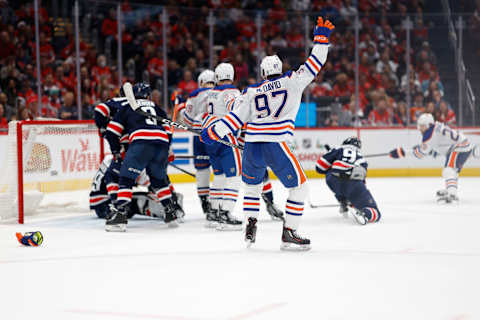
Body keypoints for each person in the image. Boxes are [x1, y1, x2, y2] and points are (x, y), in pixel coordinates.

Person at [201, 16, 335, 250]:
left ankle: (250, 226)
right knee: (300, 188)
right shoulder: (292, 81)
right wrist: (321, 40)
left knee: (252, 188)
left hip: (252, 145)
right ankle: (290, 233)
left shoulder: (252, 90)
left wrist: (214, 131)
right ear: (279, 68)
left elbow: (235, 119)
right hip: (277, 143)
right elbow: (315, 62)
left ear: (263, 72)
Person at [104, 83, 178, 231]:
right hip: (161, 142)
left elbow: (111, 131)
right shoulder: (157, 108)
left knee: (126, 178)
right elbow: (168, 131)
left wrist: (116, 151)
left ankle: (120, 216)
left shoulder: (127, 107)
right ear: (148, 96)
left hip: (141, 142)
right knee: (158, 180)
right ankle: (170, 213)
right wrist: (166, 148)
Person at [389, 113, 477, 203]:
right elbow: (438, 143)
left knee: (449, 170)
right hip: (463, 145)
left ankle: (452, 194)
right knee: (453, 171)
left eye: (422, 126)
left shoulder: (429, 136)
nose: (420, 128)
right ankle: (450, 189)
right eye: (419, 126)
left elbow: (420, 154)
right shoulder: (436, 126)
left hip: (459, 147)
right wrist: (428, 148)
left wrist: (401, 153)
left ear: (429, 125)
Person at [202, 63, 243, 230]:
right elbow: (236, 110)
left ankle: (213, 212)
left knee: (219, 176)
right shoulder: (232, 92)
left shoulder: (210, 93)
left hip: (210, 138)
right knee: (235, 176)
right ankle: (225, 213)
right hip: (224, 135)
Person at [315, 137, 381, 225]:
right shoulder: (362, 159)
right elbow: (362, 181)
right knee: (375, 212)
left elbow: (319, 167)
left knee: (331, 171)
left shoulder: (338, 149)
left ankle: (343, 200)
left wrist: (331, 160)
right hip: (353, 185)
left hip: (333, 181)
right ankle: (364, 214)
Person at [180, 69, 216, 215]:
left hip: (198, 134)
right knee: (220, 171)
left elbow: (187, 120)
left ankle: (204, 202)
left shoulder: (194, 94)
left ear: (201, 82)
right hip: (215, 134)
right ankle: (219, 204)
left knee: (202, 169)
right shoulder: (219, 92)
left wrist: (181, 109)